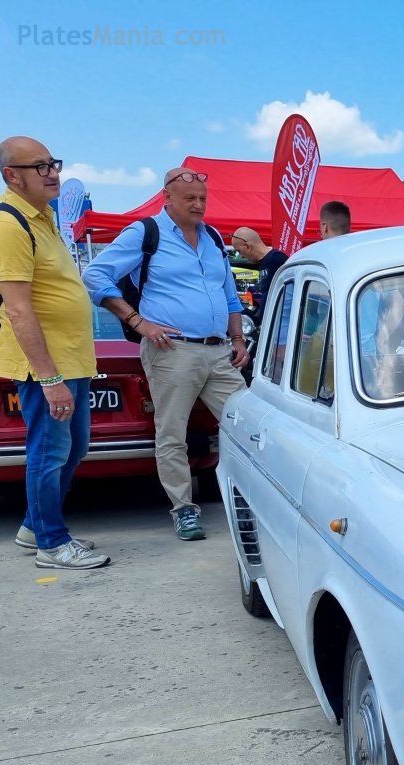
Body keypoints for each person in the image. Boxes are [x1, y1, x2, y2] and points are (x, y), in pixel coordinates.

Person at [83, 166, 248, 542]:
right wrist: (138, 321)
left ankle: (250, 498)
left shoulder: (214, 238)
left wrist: (238, 339)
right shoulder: (146, 233)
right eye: (189, 198)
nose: (198, 205)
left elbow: (229, 294)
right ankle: (184, 510)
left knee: (247, 427)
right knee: (172, 433)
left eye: (203, 198)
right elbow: (95, 275)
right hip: (171, 350)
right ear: (167, 198)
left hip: (218, 350)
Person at [0, 137, 110, 569]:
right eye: (39, 166)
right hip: (44, 366)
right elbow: (17, 309)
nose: (52, 172)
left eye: (53, 163)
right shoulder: (6, 223)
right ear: (11, 176)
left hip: (70, 357)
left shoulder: (44, 218)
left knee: (74, 448)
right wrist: (50, 379)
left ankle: (35, 526)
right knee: (49, 452)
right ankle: (51, 544)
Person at [228, 227, 286, 316]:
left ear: (247, 246)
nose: (241, 256)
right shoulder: (263, 262)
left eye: (239, 251)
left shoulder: (277, 259)